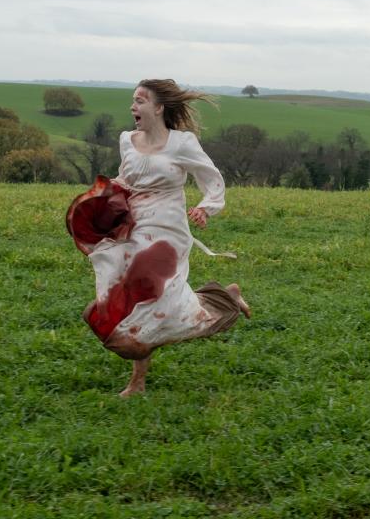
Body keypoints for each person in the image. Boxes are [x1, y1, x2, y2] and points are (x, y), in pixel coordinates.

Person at [66, 79, 250, 396]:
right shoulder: (128, 140)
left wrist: (206, 207)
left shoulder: (182, 143)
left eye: (140, 100)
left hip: (165, 229)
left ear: (158, 107)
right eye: (132, 101)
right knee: (139, 304)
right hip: (132, 225)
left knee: (147, 291)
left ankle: (218, 307)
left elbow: (211, 177)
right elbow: (126, 178)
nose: (133, 107)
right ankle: (139, 379)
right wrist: (100, 200)